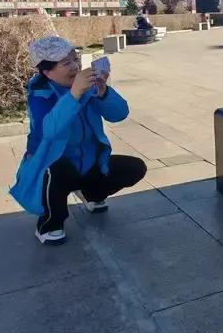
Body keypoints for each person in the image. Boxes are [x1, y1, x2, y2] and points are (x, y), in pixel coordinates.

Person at [9, 36, 147, 245]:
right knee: (56, 170)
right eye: (66, 63)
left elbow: (119, 114)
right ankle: (49, 223)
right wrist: (74, 95)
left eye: (75, 59)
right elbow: (51, 130)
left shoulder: (88, 88)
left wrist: (103, 91)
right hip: (55, 167)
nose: (75, 66)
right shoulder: (41, 96)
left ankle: (90, 192)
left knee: (134, 168)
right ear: (47, 71)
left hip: (89, 162)